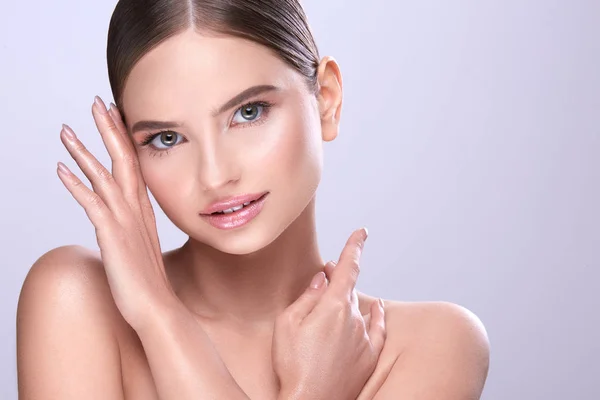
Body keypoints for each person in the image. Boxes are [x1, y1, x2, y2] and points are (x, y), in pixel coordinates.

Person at [16, 1, 490, 399]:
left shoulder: (428, 345)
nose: (216, 174)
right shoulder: (75, 301)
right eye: (166, 138)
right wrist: (158, 314)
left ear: (326, 99)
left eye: (249, 112)